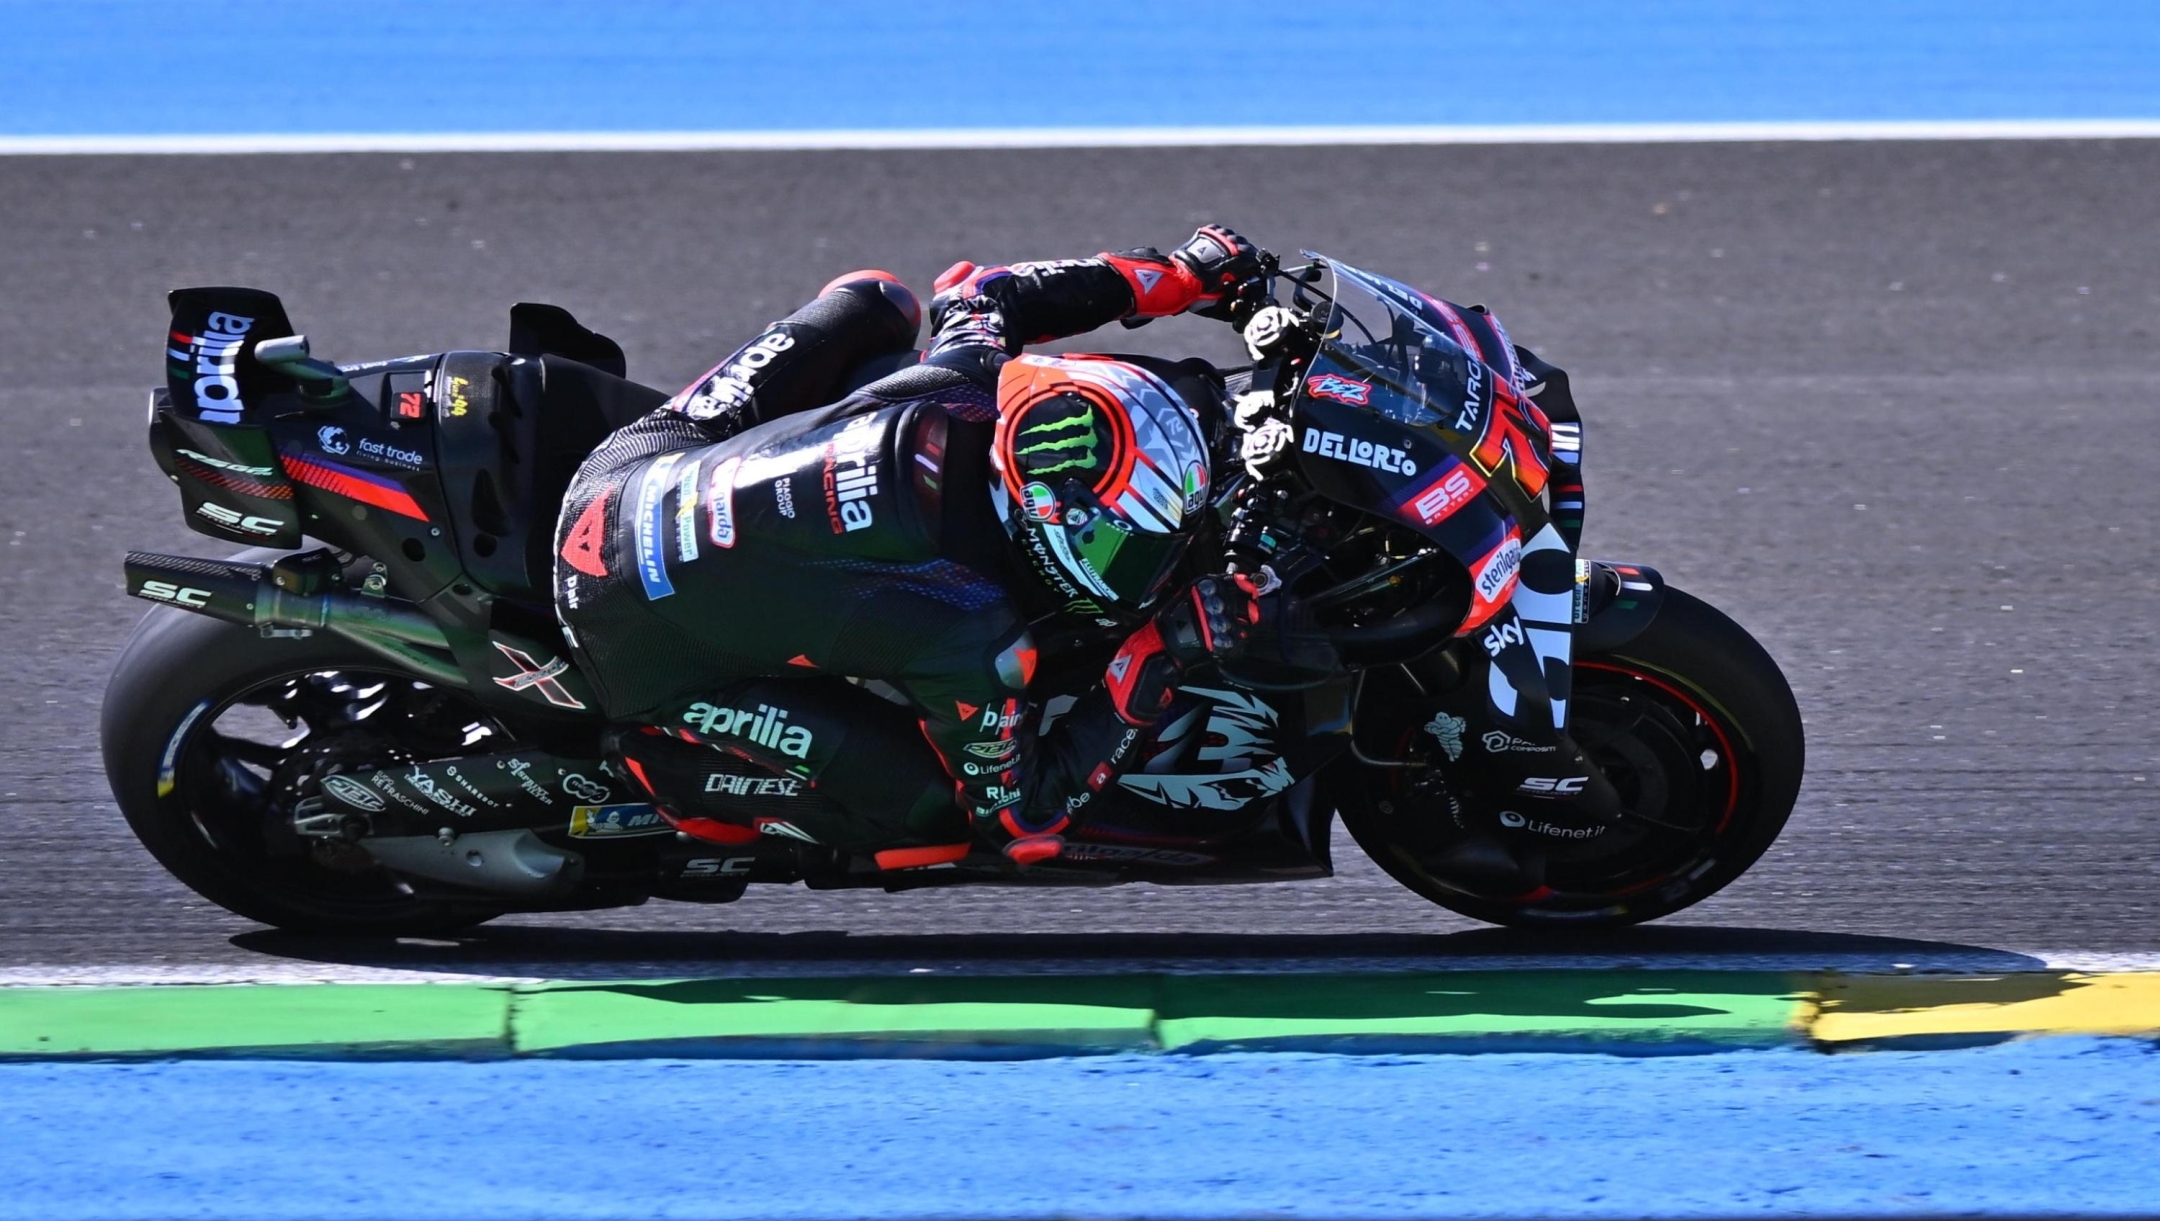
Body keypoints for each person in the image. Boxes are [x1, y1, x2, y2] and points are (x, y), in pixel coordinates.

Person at [551, 227, 1271, 866]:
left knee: (872, 299)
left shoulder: (966, 379)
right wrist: (1161, 647)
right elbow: (1027, 816)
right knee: (932, 819)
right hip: (633, 637)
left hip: (630, 468)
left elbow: (985, 292)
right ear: (1048, 534)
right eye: (1127, 546)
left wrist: (1177, 275)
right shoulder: (967, 627)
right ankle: (672, 773)